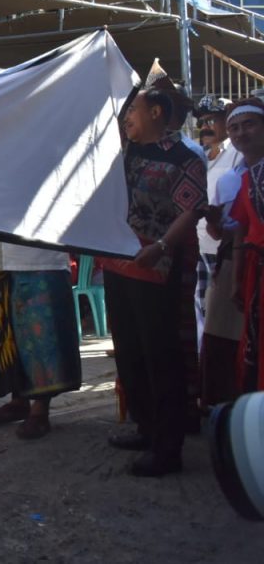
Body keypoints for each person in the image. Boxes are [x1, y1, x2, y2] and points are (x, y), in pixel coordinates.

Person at [101, 88, 207, 477]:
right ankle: (146, 427)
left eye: (133, 109)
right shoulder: (126, 151)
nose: (127, 117)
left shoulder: (186, 157)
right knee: (129, 352)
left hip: (155, 265)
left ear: (157, 112)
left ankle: (168, 447)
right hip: (118, 261)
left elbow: (191, 211)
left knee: (160, 355)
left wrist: (161, 246)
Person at [0, 240, 82, 439]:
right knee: (7, 335)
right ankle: (18, 401)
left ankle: (40, 409)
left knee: (39, 339)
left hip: (36, 257)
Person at [194, 96, 240, 346]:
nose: (205, 126)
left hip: (226, 246)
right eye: (201, 121)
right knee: (203, 310)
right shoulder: (198, 155)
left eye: (212, 119)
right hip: (200, 244)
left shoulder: (236, 153)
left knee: (222, 315)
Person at [228, 98, 264, 395]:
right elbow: (241, 230)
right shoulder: (244, 178)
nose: (240, 133)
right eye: (234, 128)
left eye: (249, 124)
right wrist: (238, 279)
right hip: (257, 273)